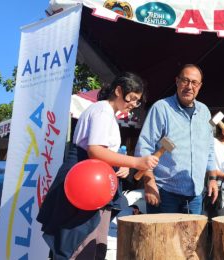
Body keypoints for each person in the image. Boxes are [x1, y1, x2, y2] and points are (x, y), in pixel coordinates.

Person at [37, 72, 159, 260]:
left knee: (92, 246)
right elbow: (95, 151)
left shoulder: (107, 113)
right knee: (80, 246)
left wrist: (120, 164)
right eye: (132, 98)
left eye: (137, 102)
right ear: (119, 90)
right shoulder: (102, 111)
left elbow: (104, 153)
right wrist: (136, 162)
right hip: (84, 185)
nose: (133, 105)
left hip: (93, 186)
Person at [134, 64, 218, 214]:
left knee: (191, 238)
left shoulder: (204, 111)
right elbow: (144, 147)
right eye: (185, 80)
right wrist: (149, 182)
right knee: (161, 237)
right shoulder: (161, 108)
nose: (189, 86)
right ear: (177, 81)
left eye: (194, 82)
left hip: (195, 194)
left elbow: (209, 147)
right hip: (164, 192)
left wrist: (212, 178)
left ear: (200, 86)